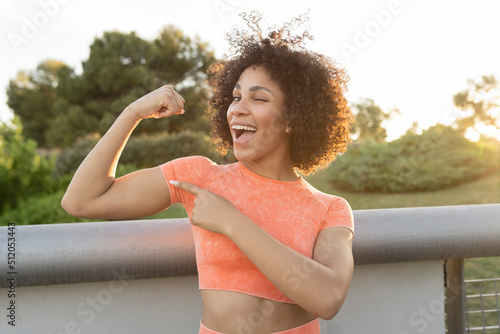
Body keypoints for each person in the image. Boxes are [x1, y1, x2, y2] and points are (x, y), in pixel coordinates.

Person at [62, 12, 354, 334]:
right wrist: (132, 114)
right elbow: (81, 201)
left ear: (293, 118)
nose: (238, 108)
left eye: (259, 98)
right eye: (236, 97)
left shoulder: (330, 207)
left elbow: (328, 299)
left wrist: (230, 220)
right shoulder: (200, 177)